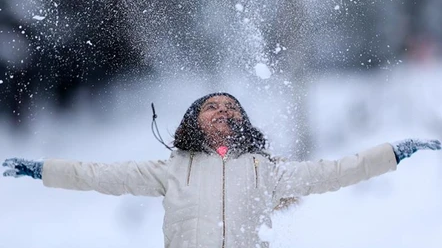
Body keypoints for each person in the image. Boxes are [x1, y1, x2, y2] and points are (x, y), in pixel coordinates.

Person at [2, 92, 441, 248]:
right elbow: (95, 173)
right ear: (194, 120)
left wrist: (394, 153)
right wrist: (39, 169)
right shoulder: (170, 169)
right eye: (211, 106)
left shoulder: (266, 171)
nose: (222, 111)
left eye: (231, 107)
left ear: (243, 122)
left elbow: (336, 171)